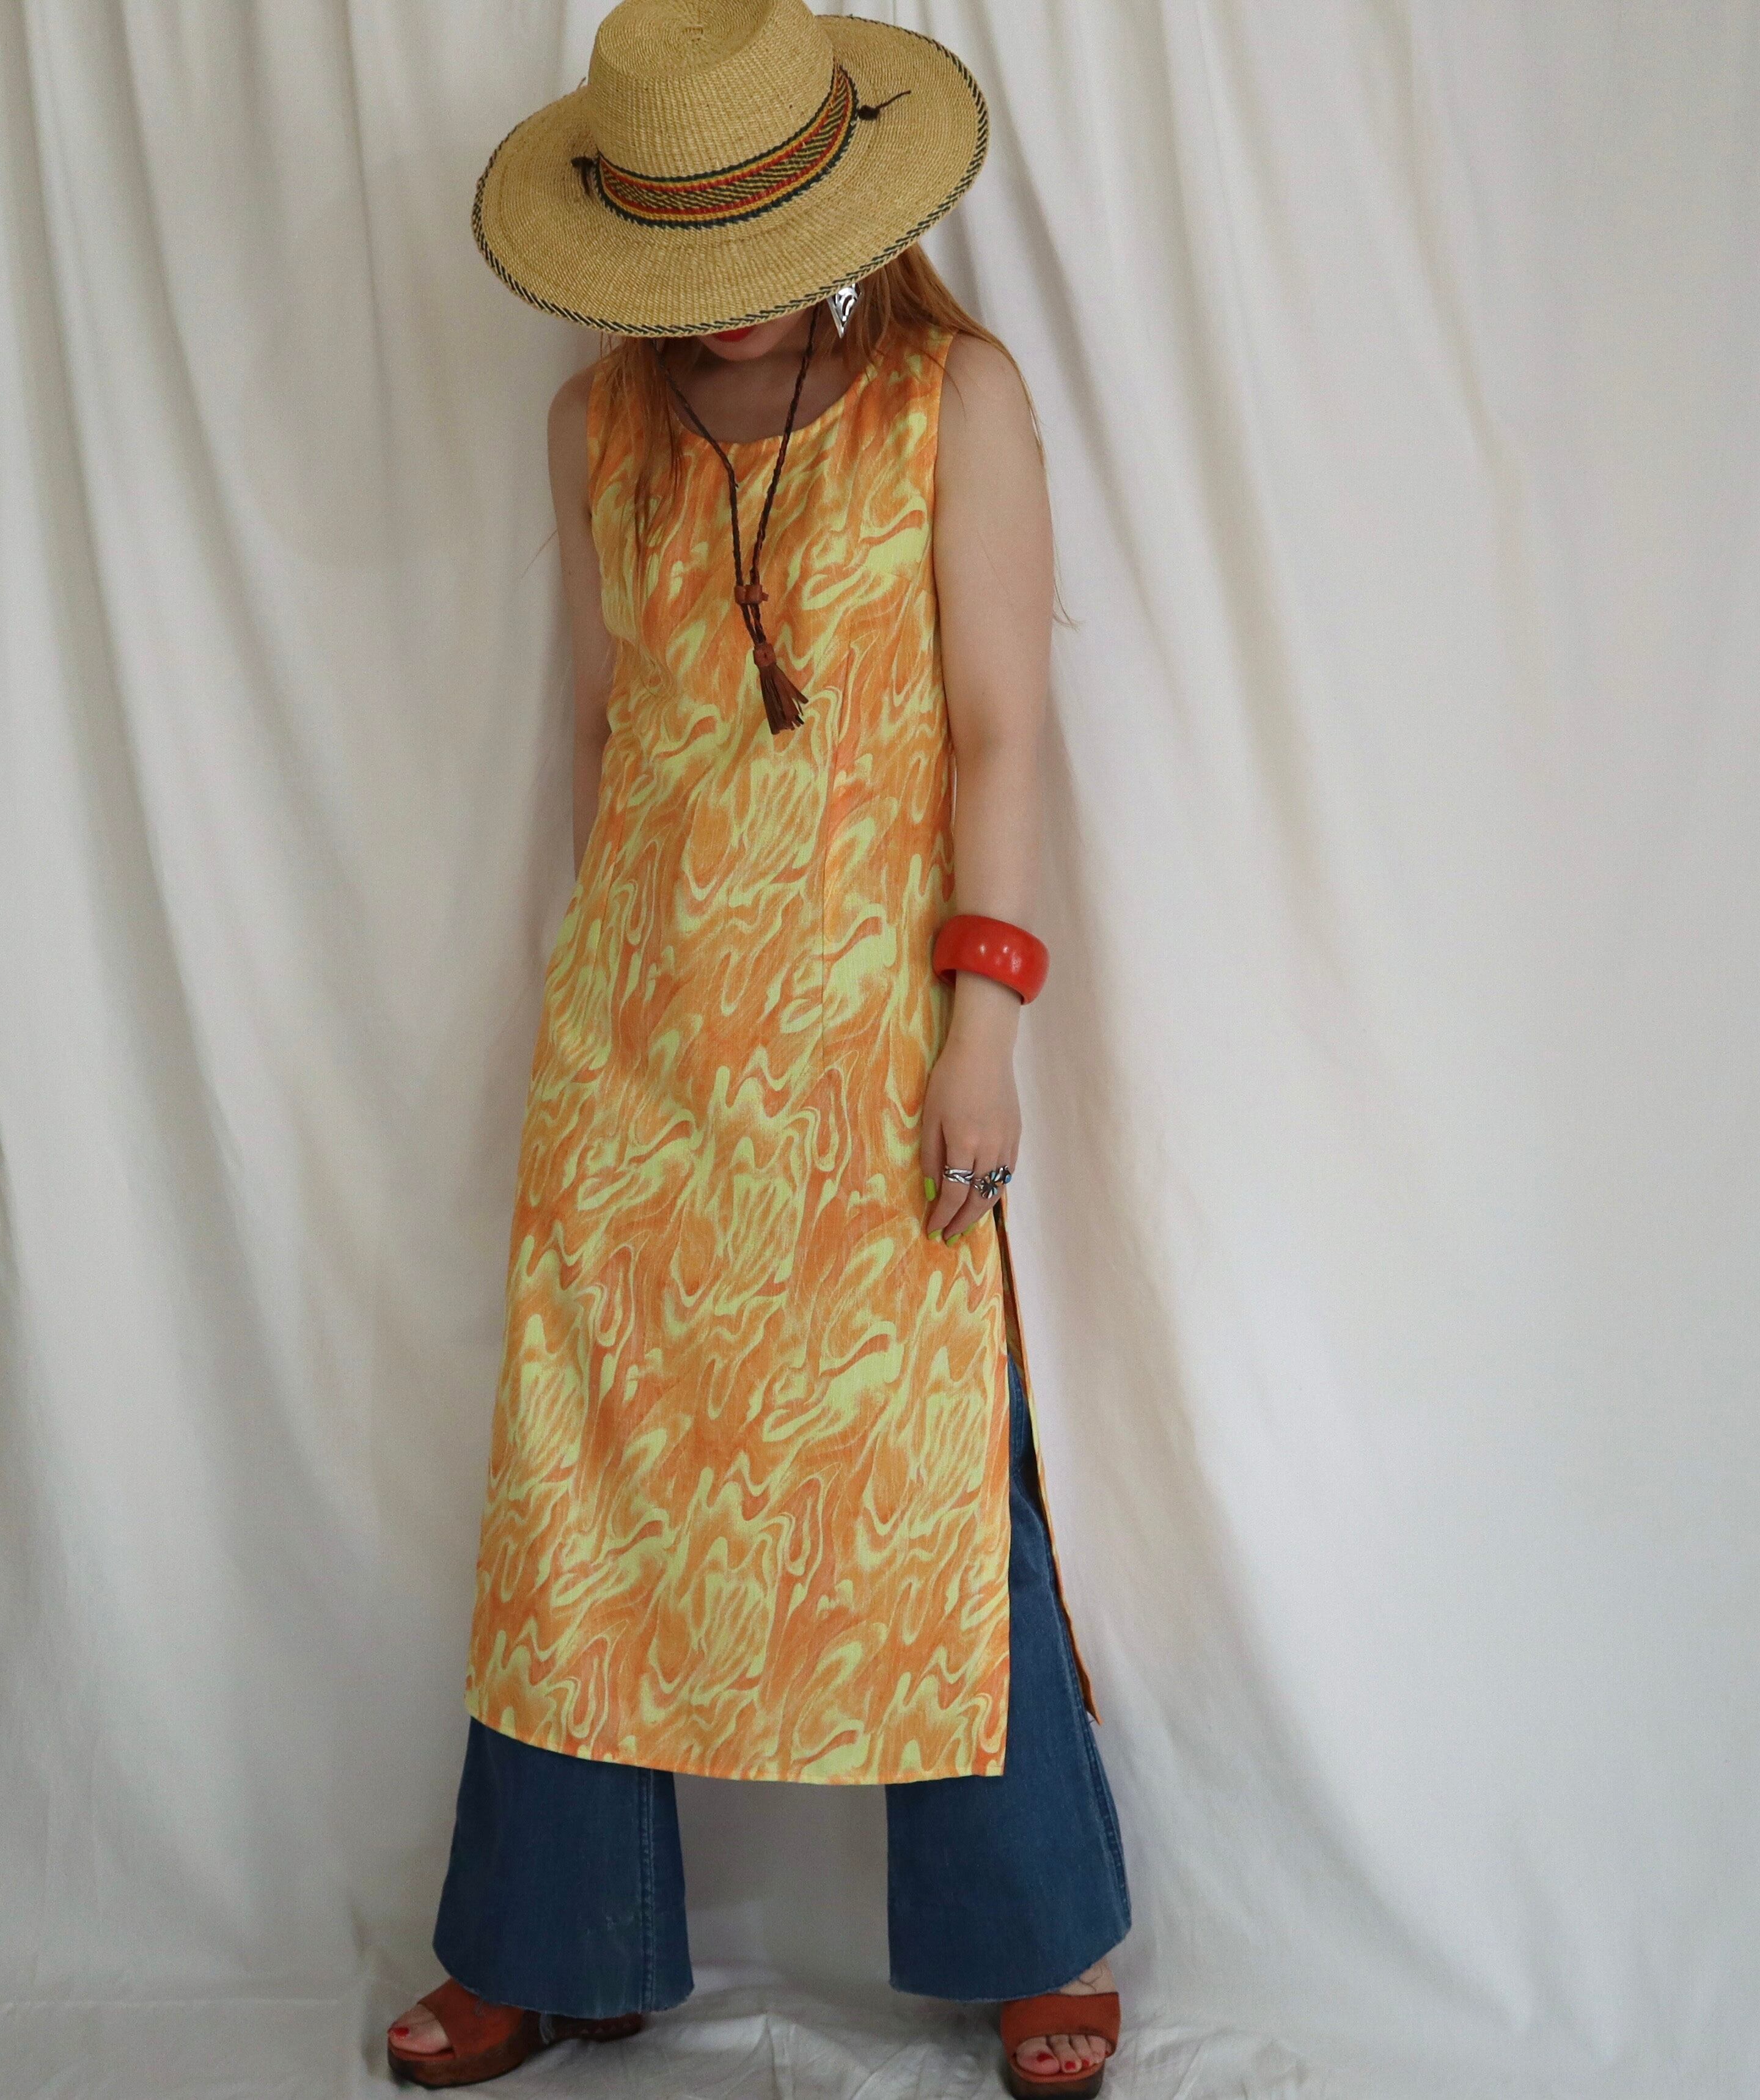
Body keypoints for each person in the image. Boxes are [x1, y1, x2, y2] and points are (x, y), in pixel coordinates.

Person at [387, 3, 1129, 2091]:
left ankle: (1032, 1934)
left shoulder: (953, 401)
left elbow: (1001, 735)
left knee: (927, 1482)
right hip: (634, 1060)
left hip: (877, 1051)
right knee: (577, 1490)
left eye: (749, 251)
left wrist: (984, 1024)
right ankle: (557, 1942)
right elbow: (604, 737)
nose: (715, 302)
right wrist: (601, 1013)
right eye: (677, 258)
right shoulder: (594, 431)